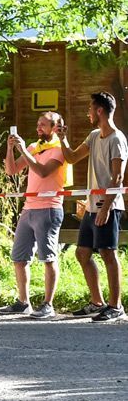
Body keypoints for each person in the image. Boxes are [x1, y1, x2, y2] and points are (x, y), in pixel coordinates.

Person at [59, 91, 126, 322]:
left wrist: (106, 209)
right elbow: (71, 157)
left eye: (90, 108)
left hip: (109, 205)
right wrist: (62, 138)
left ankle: (115, 305)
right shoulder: (93, 135)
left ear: (100, 111)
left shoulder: (117, 139)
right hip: (91, 206)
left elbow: (117, 178)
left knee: (108, 252)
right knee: (82, 253)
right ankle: (97, 302)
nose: (87, 112)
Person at [0, 112, 68, 319]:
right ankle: (23, 302)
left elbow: (42, 172)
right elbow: (11, 171)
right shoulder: (33, 147)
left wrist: (24, 150)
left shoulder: (58, 150)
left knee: (48, 258)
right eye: (38, 124)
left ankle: (48, 304)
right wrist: (11, 149)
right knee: (19, 258)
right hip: (29, 208)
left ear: (55, 128)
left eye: (44, 125)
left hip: (49, 207)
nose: (39, 128)